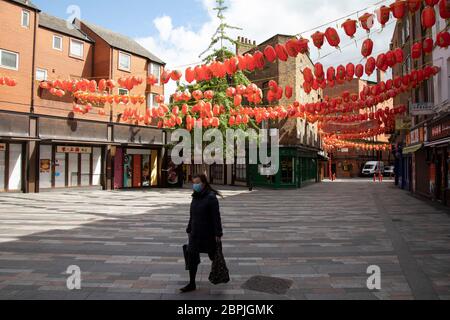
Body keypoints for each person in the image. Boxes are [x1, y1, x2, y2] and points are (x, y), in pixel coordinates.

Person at [181, 174, 223, 293]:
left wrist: (218, 234)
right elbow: (192, 215)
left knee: (214, 257)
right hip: (195, 233)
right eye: (194, 183)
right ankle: (192, 283)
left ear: (204, 183)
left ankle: (221, 274)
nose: (195, 185)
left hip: (208, 234)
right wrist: (189, 228)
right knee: (192, 257)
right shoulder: (195, 196)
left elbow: (216, 217)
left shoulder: (211, 197)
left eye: (198, 182)